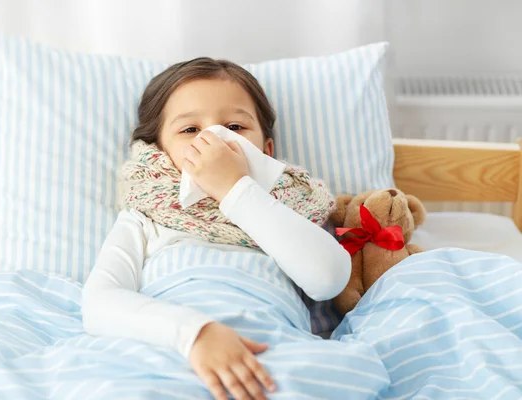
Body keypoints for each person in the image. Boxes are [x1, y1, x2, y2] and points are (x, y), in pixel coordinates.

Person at [82, 57, 351, 400]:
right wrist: (196, 334)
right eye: (190, 130)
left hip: (269, 352)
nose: (215, 141)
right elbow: (99, 303)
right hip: (168, 349)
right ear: (160, 153)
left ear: (268, 151)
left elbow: (329, 278)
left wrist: (235, 189)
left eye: (235, 127)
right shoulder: (145, 217)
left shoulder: (290, 210)